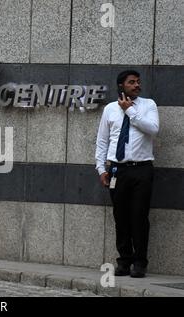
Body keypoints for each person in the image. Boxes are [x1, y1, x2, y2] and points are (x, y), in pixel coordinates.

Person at [95, 70, 159, 278]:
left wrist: (130, 112)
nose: (136, 85)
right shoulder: (110, 109)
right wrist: (101, 169)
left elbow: (153, 129)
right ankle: (124, 261)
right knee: (120, 217)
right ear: (121, 85)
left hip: (142, 169)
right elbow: (103, 141)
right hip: (117, 170)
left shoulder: (148, 105)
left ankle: (140, 262)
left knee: (139, 216)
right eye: (131, 82)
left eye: (138, 82)